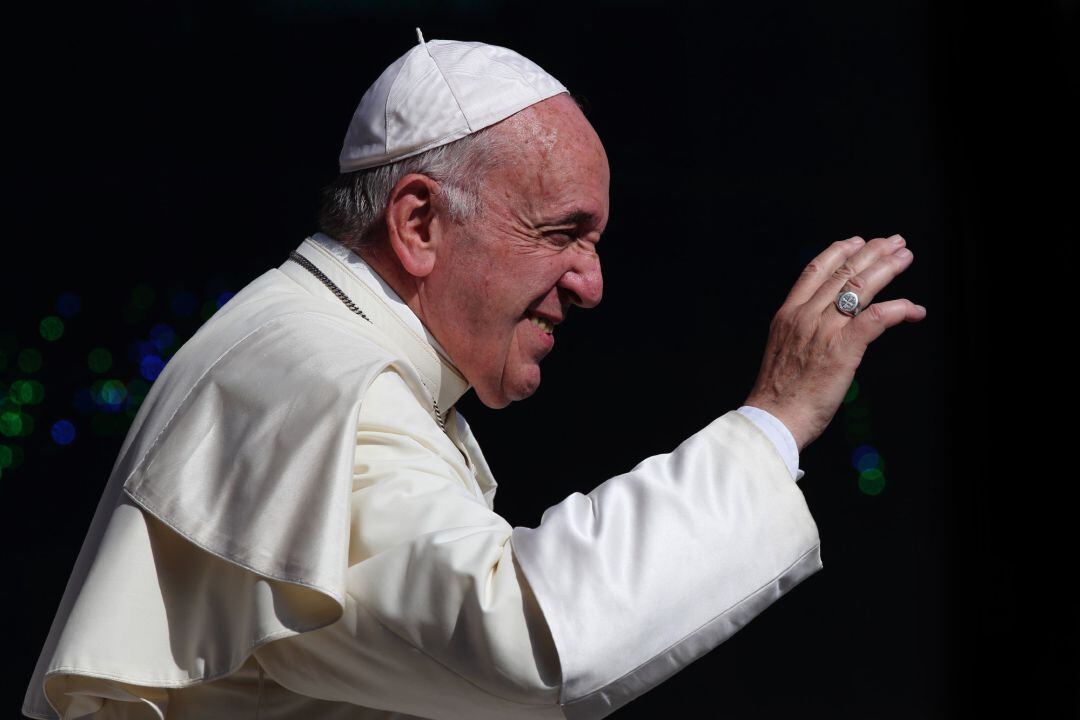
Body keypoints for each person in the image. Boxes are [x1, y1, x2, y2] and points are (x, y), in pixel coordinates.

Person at [22, 31, 925, 720]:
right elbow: (531, 632)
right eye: (563, 232)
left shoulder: (299, 337)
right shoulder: (320, 378)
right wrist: (776, 417)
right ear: (418, 225)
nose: (592, 283)